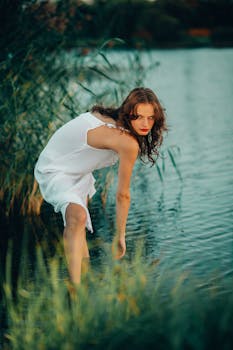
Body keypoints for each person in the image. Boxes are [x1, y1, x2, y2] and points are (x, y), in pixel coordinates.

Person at [34, 87, 167, 284]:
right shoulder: (127, 142)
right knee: (77, 217)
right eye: (138, 116)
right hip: (56, 169)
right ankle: (74, 290)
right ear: (128, 113)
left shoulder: (110, 117)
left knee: (79, 226)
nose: (145, 124)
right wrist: (121, 236)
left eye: (150, 117)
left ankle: (85, 282)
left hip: (78, 171)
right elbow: (123, 195)